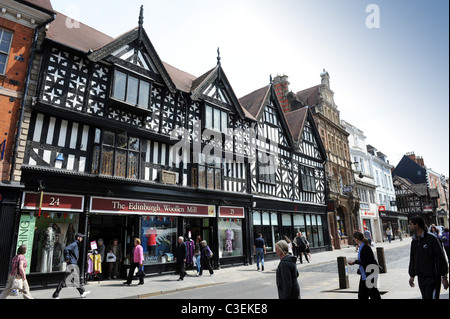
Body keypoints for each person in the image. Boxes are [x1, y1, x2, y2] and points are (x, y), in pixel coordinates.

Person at [408, 216, 449, 299]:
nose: (409, 226)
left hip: (433, 278)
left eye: (410, 224)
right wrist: (412, 275)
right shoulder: (414, 241)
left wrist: (444, 276)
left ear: (417, 225)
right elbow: (413, 259)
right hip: (421, 278)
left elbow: (440, 258)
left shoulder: (432, 239)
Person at [53, 233, 90, 299]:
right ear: (78, 238)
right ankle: (56, 294)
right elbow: (66, 249)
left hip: (73, 263)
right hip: (71, 264)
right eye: (81, 237)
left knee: (75, 279)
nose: (82, 239)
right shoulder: (74, 244)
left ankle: (82, 292)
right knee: (65, 280)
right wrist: (67, 258)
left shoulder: (76, 244)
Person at [348, 231, 381, 299]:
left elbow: (367, 262)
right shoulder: (361, 247)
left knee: (374, 294)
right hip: (365, 274)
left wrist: (355, 262)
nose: (354, 240)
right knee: (362, 296)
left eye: (354, 238)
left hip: (369, 274)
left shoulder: (365, 247)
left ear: (356, 238)